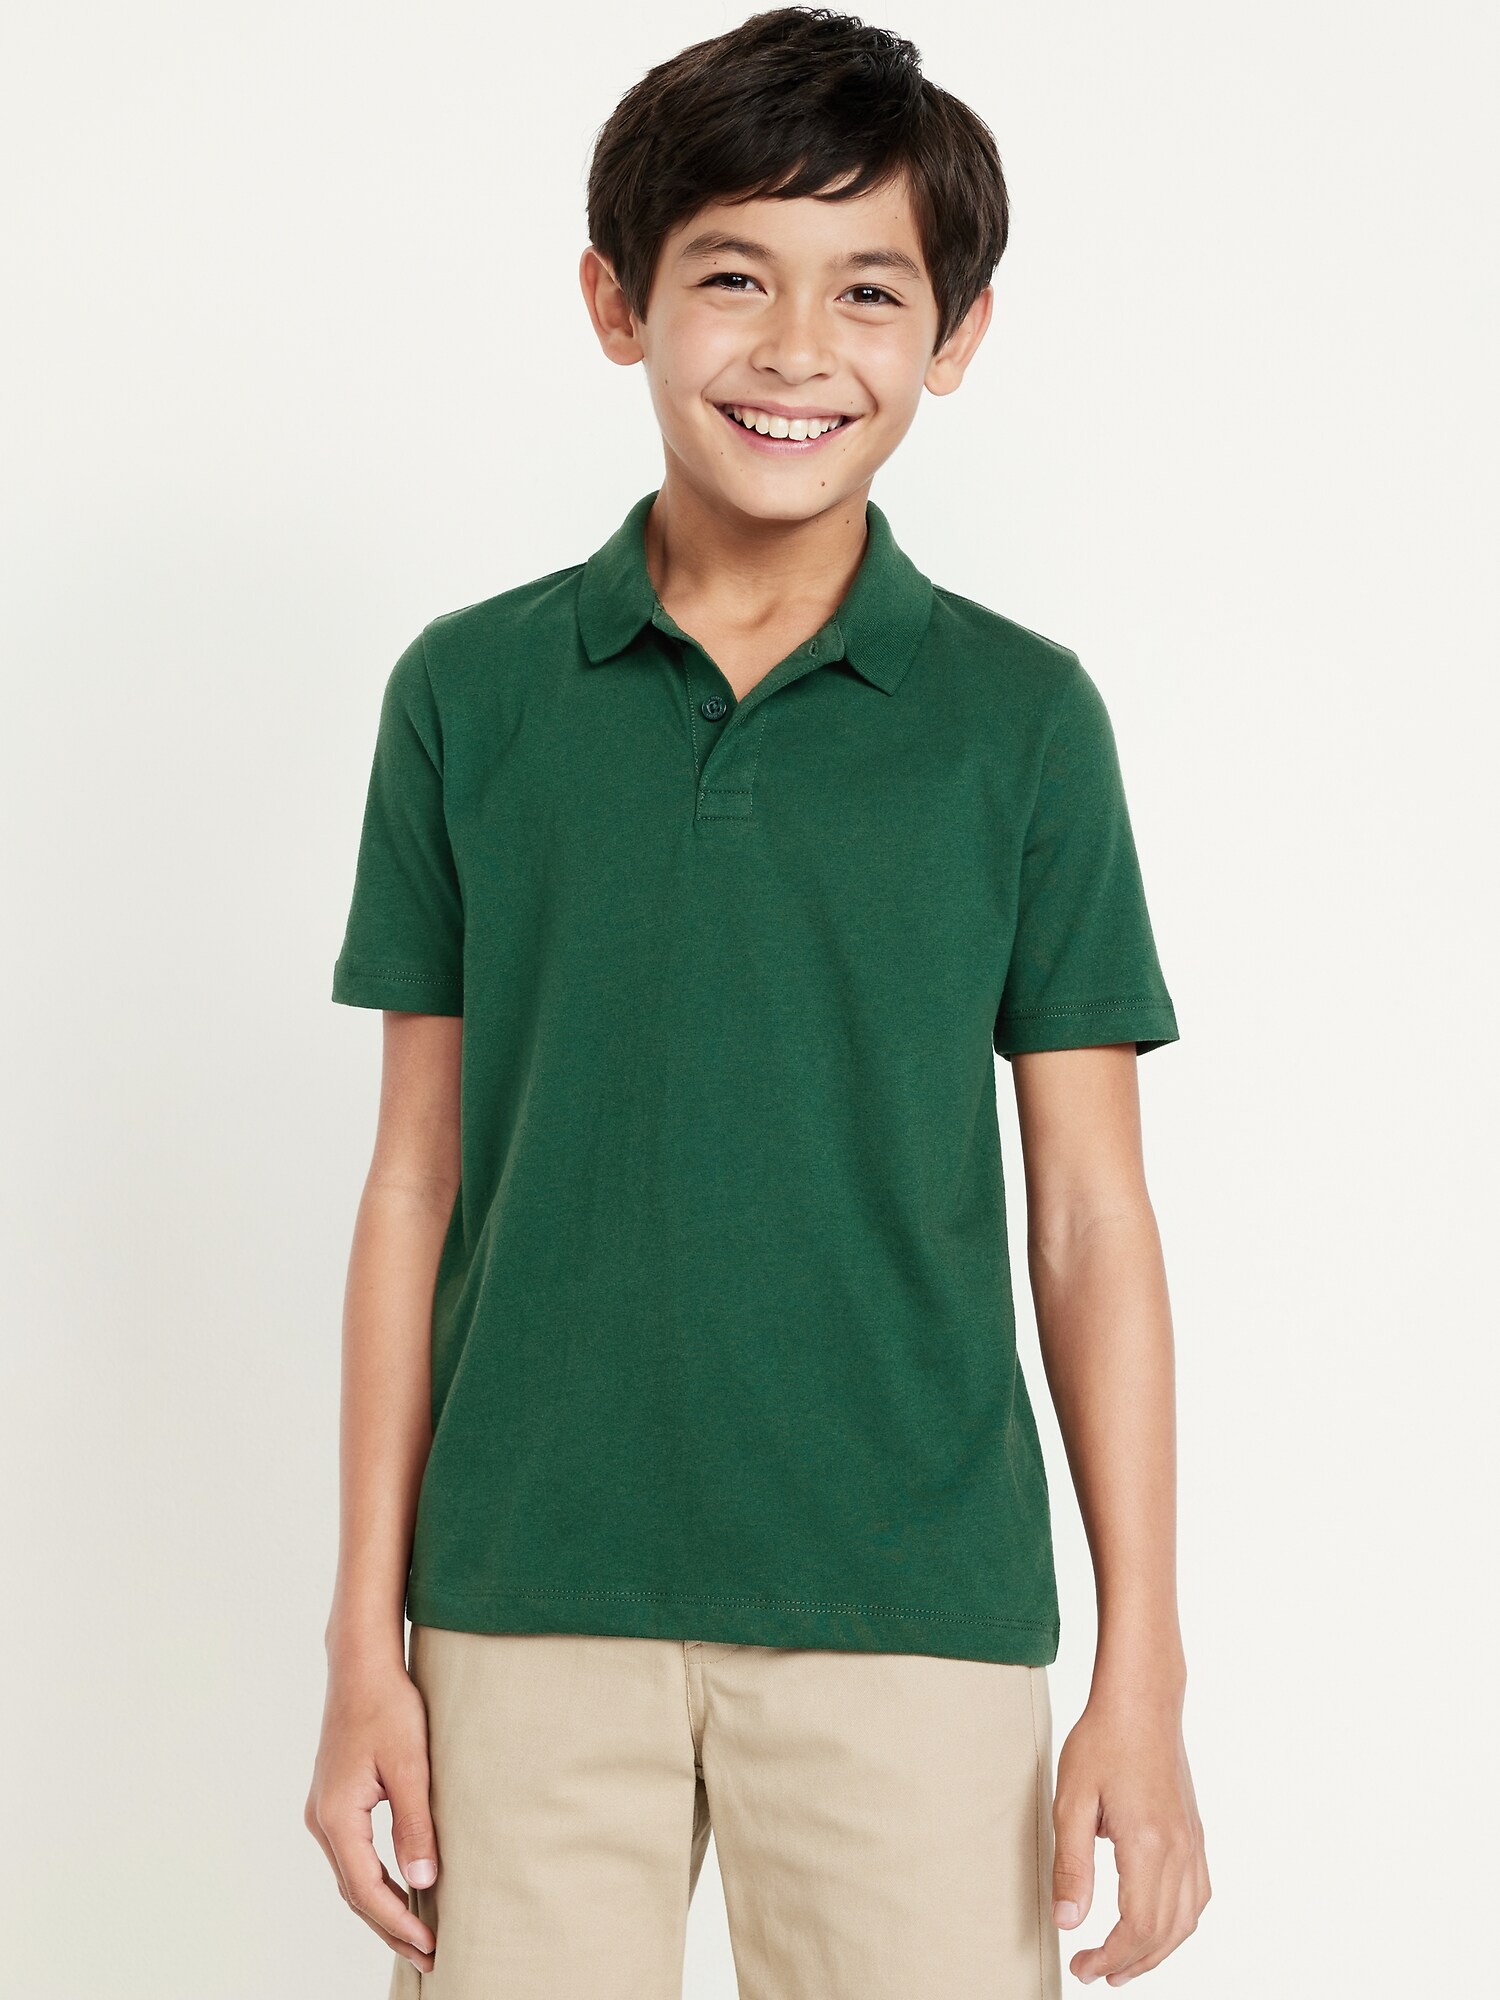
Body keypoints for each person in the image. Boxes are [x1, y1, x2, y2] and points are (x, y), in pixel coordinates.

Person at [304, 9, 1211, 1995]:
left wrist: (1139, 1677)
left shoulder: (1020, 721)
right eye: (734, 275)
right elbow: (414, 1184)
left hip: (914, 1606)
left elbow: (1090, 1212)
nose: (799, 348)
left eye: (869, 288)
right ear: (616, 303)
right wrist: (363, 1639)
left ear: (955, 335)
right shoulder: (470, 696)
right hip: (521, 1600)